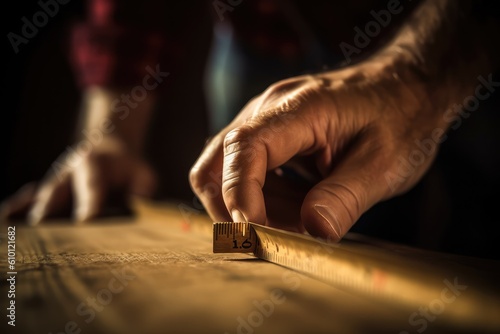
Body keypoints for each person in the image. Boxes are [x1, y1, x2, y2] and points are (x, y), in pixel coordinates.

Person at [2, 0, 499, 256]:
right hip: (260, 41)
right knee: (268, 207)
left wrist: (414, 79)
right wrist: (109, 133)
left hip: (468, 40)